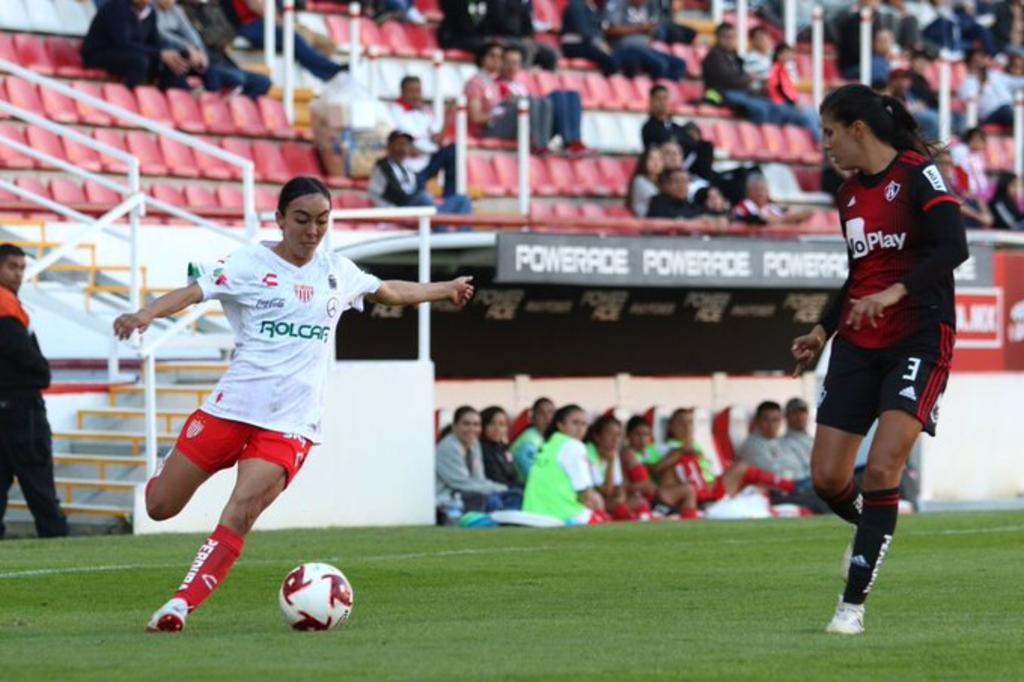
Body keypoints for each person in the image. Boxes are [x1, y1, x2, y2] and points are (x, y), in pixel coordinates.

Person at [112, 176, 476, 632]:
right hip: (229, 409)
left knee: (241, 511)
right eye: (302, 219)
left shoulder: (337, 272)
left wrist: (445, 289)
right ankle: (165, 476)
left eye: (322, 220)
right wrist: (146, 314)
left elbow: (389, 291)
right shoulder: (248, 264)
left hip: (291, 423)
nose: (312, 230)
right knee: (161, 507)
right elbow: (193, 292)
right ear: (280, 218)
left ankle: (180, 605)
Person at [790, 84, 968, 635]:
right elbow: (856, 277)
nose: (825, 145)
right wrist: (822, 329)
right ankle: (873, 530)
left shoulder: (919, 175)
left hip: (918, 337)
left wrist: (896, 293)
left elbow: (953, 246)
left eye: (830, 132)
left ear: (859, 130)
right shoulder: (848, 197)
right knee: (826, 479)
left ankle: (851, 608)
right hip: (856, 344)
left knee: (885, 468)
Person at [0, 244, 68, 541]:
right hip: (21, 409)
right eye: (12, 267)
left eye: (22, 268)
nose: (18, 274)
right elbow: (22, 355)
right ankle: (58, 546)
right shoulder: (5, 306)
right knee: (40, 487)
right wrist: (42, 371)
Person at [647, 408, 795, 509]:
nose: (687, 427)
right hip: (696, 494)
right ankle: (791, 488)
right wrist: (679, 453)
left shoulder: (696, 446)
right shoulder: (663, 447)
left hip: (713, 485)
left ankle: (788, 491)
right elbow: (656, 471)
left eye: (690, 422)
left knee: (755, 484)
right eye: (681, 423)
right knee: (741, 467)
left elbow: (707, 471)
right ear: (672, 426)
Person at [702, 23, 819, 138]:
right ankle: (761, 139)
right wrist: (749, 79)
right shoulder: (714, 56)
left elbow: (743, 80)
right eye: (726, 37)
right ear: (718, 37)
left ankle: (773, 140)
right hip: (721, 94)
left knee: (775, 107)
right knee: (761, 109)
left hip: (741, 94)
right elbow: (729, 80)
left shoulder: (733, 56)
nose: (730, 40)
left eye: (732, 37)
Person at [522, 404, 610, 524]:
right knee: (604, 521)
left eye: (584, 424)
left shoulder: (548, 445)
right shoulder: (574, 446)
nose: (580, 428)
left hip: (531, 513)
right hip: (562, 513)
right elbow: (585, 494)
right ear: (560, 425)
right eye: (575, 423)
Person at [224, 0, 347, 82]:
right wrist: (279, 21)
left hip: (267, 22)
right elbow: (256, 6)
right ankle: (329, 70)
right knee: (293, 39)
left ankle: (328, 70)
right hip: (251, 25)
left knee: (320, 41)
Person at [466, 43, 554, 153]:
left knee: (544, 101)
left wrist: (506, 106)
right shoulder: (475, 82)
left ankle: (542, 143)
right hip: (487, 129)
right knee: (528, 102)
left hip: (498, 123)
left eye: (500, 57)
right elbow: (476, 117)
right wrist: (499, 113)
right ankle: (538, 145)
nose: (497, 60)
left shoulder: (492, 82)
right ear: (482, 59)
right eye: (492, 56)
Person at [81, 0, 191, 89]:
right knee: (139, 61)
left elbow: (154, 43)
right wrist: (159, 54)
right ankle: (129, 98)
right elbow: (122, 44)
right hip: (100, 55)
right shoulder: (115, 7)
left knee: (173, 63)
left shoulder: (150, 13)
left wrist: (168, 55)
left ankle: (162, 99)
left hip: (132, 54)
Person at [498, 46, 586, 154]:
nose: (511, 67)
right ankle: (541, 144)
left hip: (533, 124)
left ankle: (573, 140)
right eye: (508, 63)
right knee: (540, 100)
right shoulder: (494, 84)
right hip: (513, 123)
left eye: (515, 63)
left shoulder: (520, 85)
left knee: (569, 95)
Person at [178, 0, 271, 99]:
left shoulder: (210, 8)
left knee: (262, 82)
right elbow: (203, 38)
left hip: (221, 59)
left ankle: (238, 110)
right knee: (237, 79)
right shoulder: (181, 11)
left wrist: (212, 36)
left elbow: (229, 33)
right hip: (205, 63)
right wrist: (214, 36)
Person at [436, 406, 520, 514]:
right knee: (493, 501)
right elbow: (462, 484)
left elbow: (480, 479)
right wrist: (500, 488)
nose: (472, 429)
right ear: (454, 427)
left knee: (515, 495)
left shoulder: (474, 444)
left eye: (476, 425)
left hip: (471, 493)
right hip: (449, 498)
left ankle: (509, 520)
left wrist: (502, 489)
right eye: (466, 424)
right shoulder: (449, 447)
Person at [367, 131, 473, 216]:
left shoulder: (406, 167)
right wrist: (419, 198)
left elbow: (416, 188)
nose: (404, 147)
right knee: (424, 198)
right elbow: (398, 196)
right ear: (389, 146)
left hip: (413, 208)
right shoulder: (382, 166)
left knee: (463, 200)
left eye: (407, 144)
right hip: (394, 210)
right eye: (400, 143)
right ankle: (441, 233)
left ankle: (461, 234)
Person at [388, 76, 458, 198]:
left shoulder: (425, 111)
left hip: (427, 160)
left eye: (418, 91)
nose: (415, 95)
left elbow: (438, 140)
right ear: (402, 91)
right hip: (407, 164)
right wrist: (417, 148)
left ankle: (450, 198)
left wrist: (447, 117)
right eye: (411, 91)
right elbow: (402, 145)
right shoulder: (393, 111)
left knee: (453, 151)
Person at [619, 415, 698, 518]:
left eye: (646, 435)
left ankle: (689, 522)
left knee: (689, 489)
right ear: (628, 436)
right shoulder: (627, 453)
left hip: (656, 493)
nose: (642, 439)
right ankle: (672, 514)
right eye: (637, 435)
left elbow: (683, 451)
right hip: (640, 497)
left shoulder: (651, 451)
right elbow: (623, 486)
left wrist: (681, 451)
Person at [640, 85, 716, 183]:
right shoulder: (649, 127)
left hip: (690, 165)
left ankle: (705, 181)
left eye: (665, 99)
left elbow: (691, 141)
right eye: (658, 99)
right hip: (671, 169)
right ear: (651, 102)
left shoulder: (675, 126)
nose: (662, 103)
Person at [603, 0, 689, 81]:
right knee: (659, 64)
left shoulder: (648, 6)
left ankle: (669, 90)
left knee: (679, 64)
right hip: (625, 48)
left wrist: (651, 30)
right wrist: (641, 28)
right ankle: (656, 91)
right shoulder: (618, 4)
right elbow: (610, 30)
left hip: (645, 48)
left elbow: (653, 27)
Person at [585, 415, 649, 521]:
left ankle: (635, 517)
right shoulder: (588, 453)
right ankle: (631, 518)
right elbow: (606, 491)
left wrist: (620, 498)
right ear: (597, 436)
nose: (615, 439)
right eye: (610, 434)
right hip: (592, 502)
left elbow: (618, 486)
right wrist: (610, 462)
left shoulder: (613, 454)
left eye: (618, 435)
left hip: (609, 502)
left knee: (640, 502)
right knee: (617, 505)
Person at [736, 400, 809, 481]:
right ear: (757, 421)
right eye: (766, 420)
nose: (771, 425)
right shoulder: (752, 446)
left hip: (800, 482)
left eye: (775, 420)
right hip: (781, 487)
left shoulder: (781, 442)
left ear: (781, 421)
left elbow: (799, 466)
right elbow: (772, 473)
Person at [480, 0, 559, 71]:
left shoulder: (519, 2)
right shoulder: (495, 2)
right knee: (527, 48)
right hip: (500, 36)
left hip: (518, 38)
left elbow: (527, 22)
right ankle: (522, 78)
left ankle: (545, 83)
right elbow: (491, 22)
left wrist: (528, 36)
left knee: (550, 53)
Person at [958, 48, 1024, 127]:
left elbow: (1017, 82)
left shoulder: (996, 75)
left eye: (982, 59)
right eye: (976, 61)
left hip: (1009, 109)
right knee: (1010, 111)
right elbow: (970, 103)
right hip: (990, 114)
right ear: (970, 64)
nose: (980, 63)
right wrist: (981, 86)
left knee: (1013, 111)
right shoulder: (967, 83)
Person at [647, 168, 726, 227]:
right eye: (677, 181)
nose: (682, 186)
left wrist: (720, 219)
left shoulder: (690, 205)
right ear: (666, 185)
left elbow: (705, 214)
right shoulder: (657, 202)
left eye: (685, 181)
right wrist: (696, 221)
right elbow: (667, 222)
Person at [936, 151, 993, 229]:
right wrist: (980, 217)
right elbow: (957, 202)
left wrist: (986, 213)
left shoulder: (956, 183)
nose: (947, 167)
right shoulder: (938, 184)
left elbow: (976, 197)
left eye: (950, 164)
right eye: (943, 163)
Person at [732, 174, 814, 226]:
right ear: (749, 191)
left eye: (763, 189)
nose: (760, 193)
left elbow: (807, 211)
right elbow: (762, 220)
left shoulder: (771, 207)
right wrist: (786, 220)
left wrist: (790, 214)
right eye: (756, 189)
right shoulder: (744, 206)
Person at [510, 397, 554, 478]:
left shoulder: (546, 437)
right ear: (532, 418)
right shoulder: (529, 441)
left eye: (551, 413)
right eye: (541, 413)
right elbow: (533, 475)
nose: (547, 417)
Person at [479, 405, 522, 489]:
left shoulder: (503, 448)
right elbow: (496, 479)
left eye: (502, 424)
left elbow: (513, 475)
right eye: (491, 423)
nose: (497, 428)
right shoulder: (480, 449)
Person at [626, 146, 664, 218]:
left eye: (659, 159)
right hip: (645, 223)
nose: (656, 163)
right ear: (644, 161)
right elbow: (656, 200)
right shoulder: (639, 181)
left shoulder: (663, 182)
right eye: (652, 159)